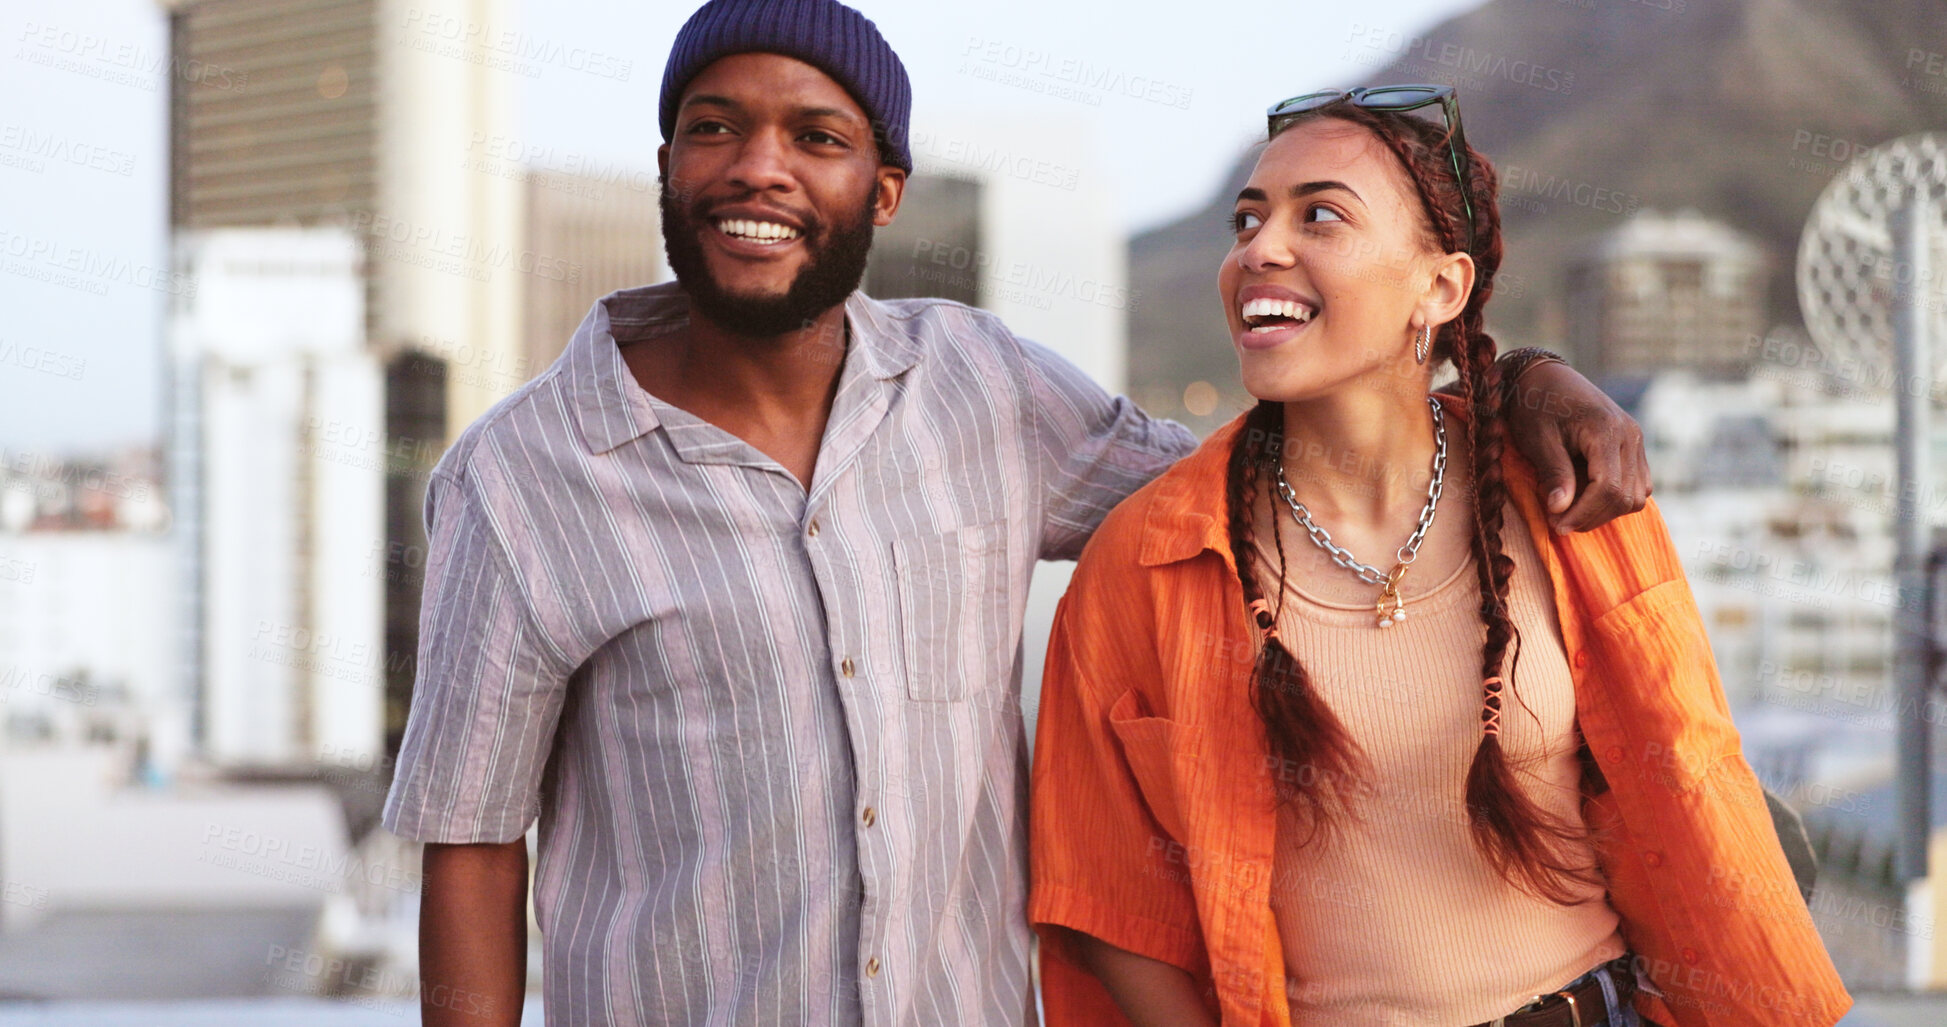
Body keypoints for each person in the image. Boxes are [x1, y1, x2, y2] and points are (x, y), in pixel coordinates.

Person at [381, 0, 1653, 1020]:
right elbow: (472, 847)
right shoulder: (521, 478)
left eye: (817, 137)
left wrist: (1511, 381)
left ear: (883, 191)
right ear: (668, 165)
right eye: (716, 128)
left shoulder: (982, 389)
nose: (758, 167)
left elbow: (1243, 483)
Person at [1027, 87, 1851, 1027]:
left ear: (1441, 287)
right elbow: (1100, 896)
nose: (1258, 247)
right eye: (1246, 219)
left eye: (1320, 215)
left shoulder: (1566, 493)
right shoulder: (1149, 557)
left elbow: (1690, 772)